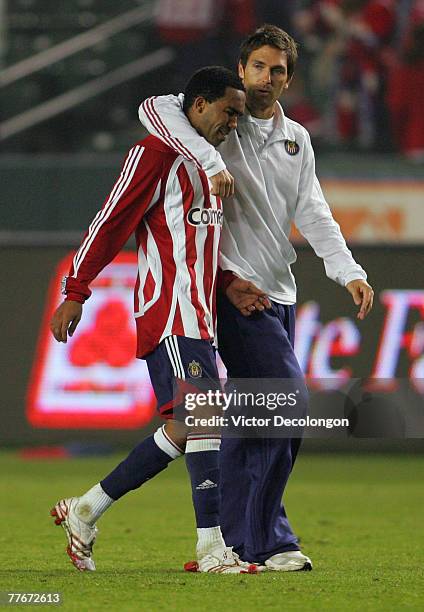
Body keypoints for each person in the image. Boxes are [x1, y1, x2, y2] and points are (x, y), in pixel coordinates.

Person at [138, 24, 374, 571]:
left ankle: (235, 542)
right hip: (236, 290)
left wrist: (348, 270)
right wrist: (215, 162)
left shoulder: (297, 141)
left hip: (279, 289)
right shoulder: (223, 122)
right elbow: (155, 107)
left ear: (290, 81)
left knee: (251, 421)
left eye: (279, 71)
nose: (267, 79)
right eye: (259, 67)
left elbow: (313, 211)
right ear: (241, 69)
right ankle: (268, 541)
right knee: (285, 403)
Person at [49, 66, 262, 575]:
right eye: (229, 112)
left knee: (186, 427)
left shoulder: (210, 169)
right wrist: (76, 291)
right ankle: (212, 549)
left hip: (200, 312)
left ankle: (85, 510)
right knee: (207, 415)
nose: (235, 122)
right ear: (200, 106)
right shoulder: (155, 154)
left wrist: (229, 279)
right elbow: (110, 221)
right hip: (170, 309)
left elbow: (199, 244)